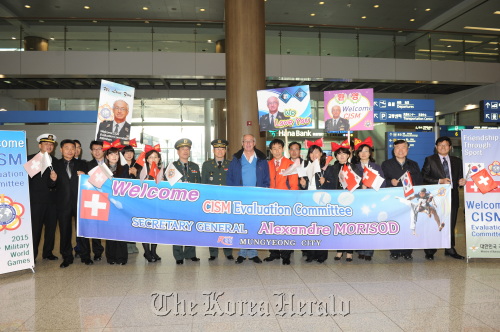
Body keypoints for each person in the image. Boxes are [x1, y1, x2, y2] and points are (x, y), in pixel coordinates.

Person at [227, 134, 270, 264]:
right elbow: (229, 178)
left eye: (250, 141)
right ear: (242, 143)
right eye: (245, 141)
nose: (248, 144)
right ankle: (241, 253)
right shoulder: (236, 159)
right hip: (240, 198)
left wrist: (263, 192)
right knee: (241, 225)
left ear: (254, 143)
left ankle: (253, 253)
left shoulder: (262, 160)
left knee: (253, 225)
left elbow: (266, 179)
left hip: (256, 198)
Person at [421, 136, 466, 260]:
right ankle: (430, 250)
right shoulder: (430, 160)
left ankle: (449, 247)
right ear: (436, 147)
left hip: (452, 196)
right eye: (440, 145)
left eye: (446, 145)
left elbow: (460, 178)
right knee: (433, 222)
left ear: (450, 147)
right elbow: (424, 177)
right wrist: (439, 181)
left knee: (451, 222)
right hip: (436, 197)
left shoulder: (457, 160)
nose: (443, 147)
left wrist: (461, 182)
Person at [381, 139, 423, 260]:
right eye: (397, 148)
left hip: (410, 200)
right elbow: (382, 181)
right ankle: (394, 250)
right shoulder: (386, 164)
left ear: (407, 150)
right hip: (393, 200)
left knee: (409, 224)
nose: (400, 150)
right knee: (394, 225)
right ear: (393, 151)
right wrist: (390, 182)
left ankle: (407, 251)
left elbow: (419, 181)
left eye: (403, 147)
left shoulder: (413, 164)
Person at [53, 139, 90, 268]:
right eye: (67, 148)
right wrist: (53, 180)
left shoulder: (82, 164)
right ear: (61, 149)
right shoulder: (54, 164)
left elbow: (89, 183)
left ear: (76, 150)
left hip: (80, 202)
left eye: (72, 148)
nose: (70, 150)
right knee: (64, 231)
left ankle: (86, 256)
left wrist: (85, 176)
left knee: (82, 230)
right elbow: (50, 185)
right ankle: (67, 257)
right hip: (62, 203)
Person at [264, 139, 299, 265]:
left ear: (283, 149)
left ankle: (285, 255)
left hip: (285, 202)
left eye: (279, 148)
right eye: (274, 148)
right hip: (270, 202)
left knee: (285, 229)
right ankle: (273, 253)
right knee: (271, 228)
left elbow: (294, 185)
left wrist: (291, 201)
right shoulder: (267, 164)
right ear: (271, 150)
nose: (277, 151)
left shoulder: (290, 164)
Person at [298, 143, 333, 263]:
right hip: (308, 202)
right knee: (309, 229)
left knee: (322, 229)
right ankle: (310, 254)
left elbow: (333, 186)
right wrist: (302, 185)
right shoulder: (305, 166)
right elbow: (302, 186)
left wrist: (325, 182)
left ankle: (322, 255)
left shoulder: (328, 167)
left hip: (321, 203)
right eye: (311, 153)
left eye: (316, 152)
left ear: (321, 154)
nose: (314, 155)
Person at [352, 138, 386, 261]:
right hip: (358, 201)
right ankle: (360, 249)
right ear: (358, 154)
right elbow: (349, 184)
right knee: (360, 225)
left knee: (370, 225)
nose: (364, 153)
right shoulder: (354, 167)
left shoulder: (376, 167)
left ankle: (369, 252)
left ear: (370, 153)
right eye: (361, 151)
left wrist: (371, 185)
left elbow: (383, 183)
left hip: (372, 200)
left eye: (366, 151)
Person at [201, 139, 234, 261]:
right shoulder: (207, 165)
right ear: (213, 150)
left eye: (222, 149)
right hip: (212, 202)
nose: (220, 151)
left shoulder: (231, 164)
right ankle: (213, 253)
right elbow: (203, 183)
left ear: (225, 151)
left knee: (226, 227)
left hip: (227, 202)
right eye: (217, 149)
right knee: (213, 227)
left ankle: (228, 251)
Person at [28, 133, 58, 262]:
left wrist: (53, 181)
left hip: (52, 201)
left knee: (51, 229)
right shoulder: (30, 159)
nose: (49, 146)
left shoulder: (56, 161)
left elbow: (56, 182)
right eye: (46, 144)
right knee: (35, 230)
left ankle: (48, 252)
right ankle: (32, 256)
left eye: (51, 144)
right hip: (36, 201)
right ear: (40, 145)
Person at [329, 143, 361, 262]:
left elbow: (359, 183)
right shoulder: (333, 168)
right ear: (336, 156)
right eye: (339, 154)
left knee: (349, 227)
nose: (342, 156)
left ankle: (349, 252)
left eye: (344, 154)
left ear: (348, 155)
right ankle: (339, 250)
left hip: (351, 200)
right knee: (338, 227)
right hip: (337, 201)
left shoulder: (354, 167)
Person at [172, 138, 201, 264]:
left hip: (192, 204)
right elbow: (170, 186)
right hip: (177, 204)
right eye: (182, 149)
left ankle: (190, 253)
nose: (185, 151)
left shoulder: (194, 166)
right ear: (178, 151)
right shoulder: (172, 166)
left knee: (191, 228)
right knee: (178, 229)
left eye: (187, 149)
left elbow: (199, 184)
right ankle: (178, 256)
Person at [103, 147, 129, 265]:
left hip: (120, 203)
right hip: (107, 203)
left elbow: (128, 185)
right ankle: (111, 256)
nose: (114, 156)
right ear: (107, 156)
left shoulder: (124, 168)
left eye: (117, 154)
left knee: (121, 231)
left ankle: (122, 257)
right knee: (109, 231)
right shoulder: (101, 169)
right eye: (111, 154)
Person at [83, 140, 106, 261]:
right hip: (94, 200)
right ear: (91, 152)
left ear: (104, 149)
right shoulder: (86, 165)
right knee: (95, 227)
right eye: (94, 149)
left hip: (109, 199)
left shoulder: (112, 162)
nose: (97, 151)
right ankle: (97, 251)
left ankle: (112, 251)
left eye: (99, 149)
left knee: (109, 226)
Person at [142, 148, 163, 263]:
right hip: (145, 204)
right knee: (145, 228)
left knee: (156, 228)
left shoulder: (162, 171)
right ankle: (147, 252)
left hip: (157, 204)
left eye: (155, 157)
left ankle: (154, 251)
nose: (153, 159)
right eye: (150, 157)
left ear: (159, 159)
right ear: (147, 159)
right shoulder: (142, 171)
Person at [121, 145, 140, 254]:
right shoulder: (120, 165)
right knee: (125, 221)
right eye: (126, 152)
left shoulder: (138, 165)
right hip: (124, 198)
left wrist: (136, 173)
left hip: (135, 198)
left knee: (133, 221)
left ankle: (133, 244)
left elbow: (142, 180)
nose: (129, 154)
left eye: (131, 152)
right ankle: (126, 245)